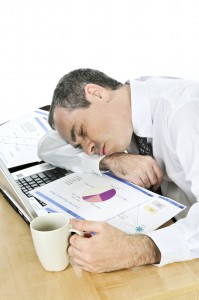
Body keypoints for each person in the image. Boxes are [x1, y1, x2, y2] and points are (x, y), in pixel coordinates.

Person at [38, 69, 199, 273]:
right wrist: (110, 160)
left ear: (97, 93)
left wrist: (134, 250)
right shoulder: (131, 103)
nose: (88, 150)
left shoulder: (185, 111)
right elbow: (47, 146)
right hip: (178, 237)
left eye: (81, 132)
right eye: (79, 146)